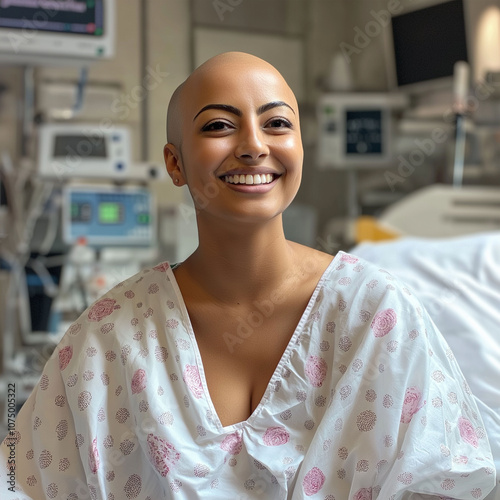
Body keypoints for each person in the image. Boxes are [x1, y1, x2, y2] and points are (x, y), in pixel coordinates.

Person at [0, 52, 496, 499]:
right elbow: (27, 482)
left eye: (277, 123)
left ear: (300, 148)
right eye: (219, 126)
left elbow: (445, 482)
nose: (254, 146)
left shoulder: (376, 317)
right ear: (175, 163)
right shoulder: (111, 337)